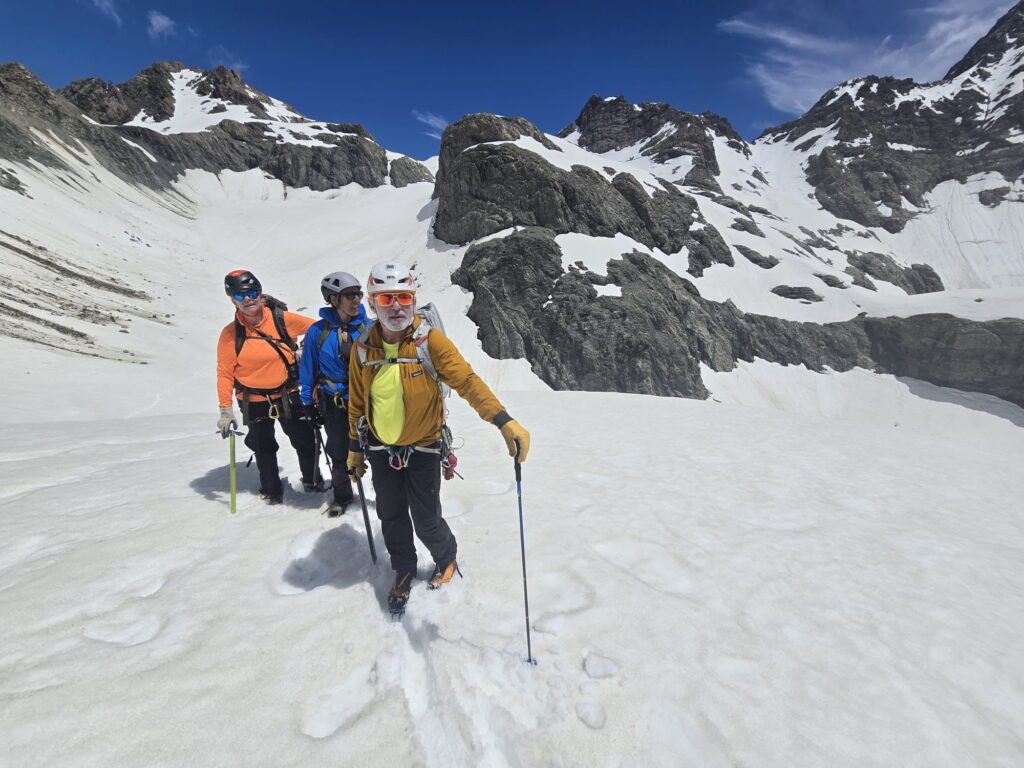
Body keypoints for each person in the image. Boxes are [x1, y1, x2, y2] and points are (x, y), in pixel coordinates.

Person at [346, 261, 531, 613]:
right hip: (380, 449)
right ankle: (403, 568)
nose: (396, 306)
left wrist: (503, 420)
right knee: (391, 514)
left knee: (426, 517)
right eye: (386, 299)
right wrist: (355, 451)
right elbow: (356, 402)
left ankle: (446, 557)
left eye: (403, 297)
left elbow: (466, 380)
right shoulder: (362, 349)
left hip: (424, 448)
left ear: (414, 300)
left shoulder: (430, 342)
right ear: (372, 304)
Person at [216, 269, 319, 504]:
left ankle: (312, 481)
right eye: (241, 296)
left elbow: (317, 330)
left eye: (252, 293)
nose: (248, 299)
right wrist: (225, 408)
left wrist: (307, 348)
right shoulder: (231, 335)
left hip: (289, 394)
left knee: (304, 440)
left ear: (261, 294)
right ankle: (271, 490)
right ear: (233, 300)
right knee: (264, 448)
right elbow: (224, 372)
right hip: (252, 400)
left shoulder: (282, 320)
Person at [298, 272, 368, 517]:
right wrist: (307, 404)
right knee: (338, 453)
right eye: (349, 295)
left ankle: (387, 497)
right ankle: (342, 496)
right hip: (334, 403)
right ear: (332, 299)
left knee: (377, 450)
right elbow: (307, 370)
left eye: (358, 294)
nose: (356, 299)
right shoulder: (317, 332)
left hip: (367, 402)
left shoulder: (369, 327)